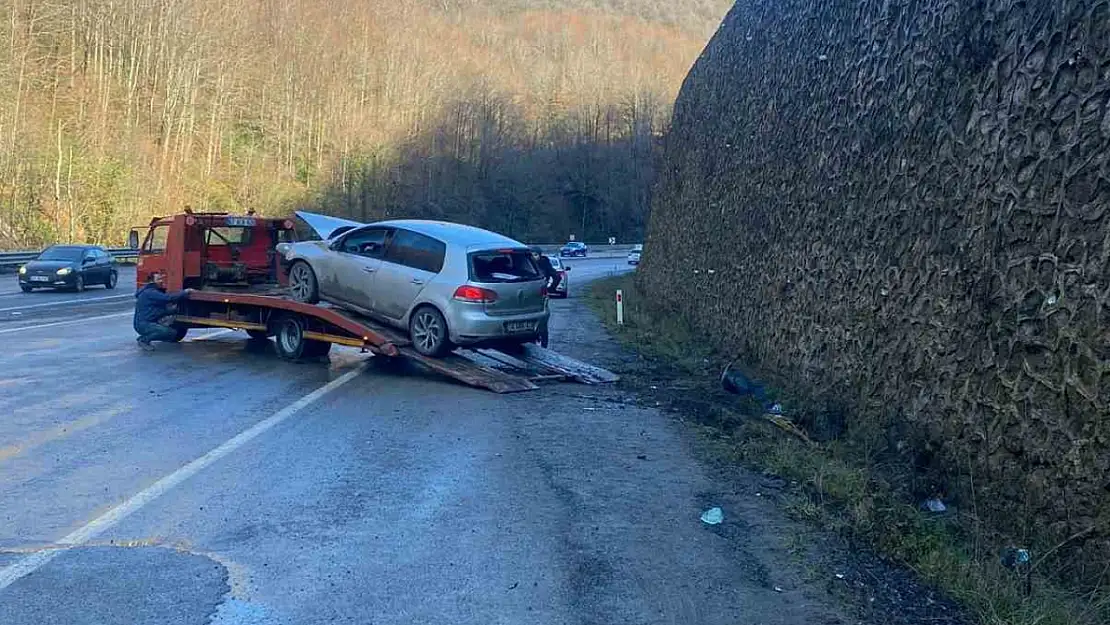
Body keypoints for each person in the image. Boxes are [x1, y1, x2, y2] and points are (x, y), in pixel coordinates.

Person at [134, 271, 193, 350]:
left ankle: (147, 337)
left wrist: (173, 311)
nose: (161, 281)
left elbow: (158, 312)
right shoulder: (150, 293)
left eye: (161, 279)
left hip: (144, 323)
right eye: (158, 279)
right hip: (144, 325)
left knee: (172, 333)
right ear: (151, 281)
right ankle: (144, 340)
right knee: (167, 332)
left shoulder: (148, 291)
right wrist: (185, 292)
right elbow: (168, 298)